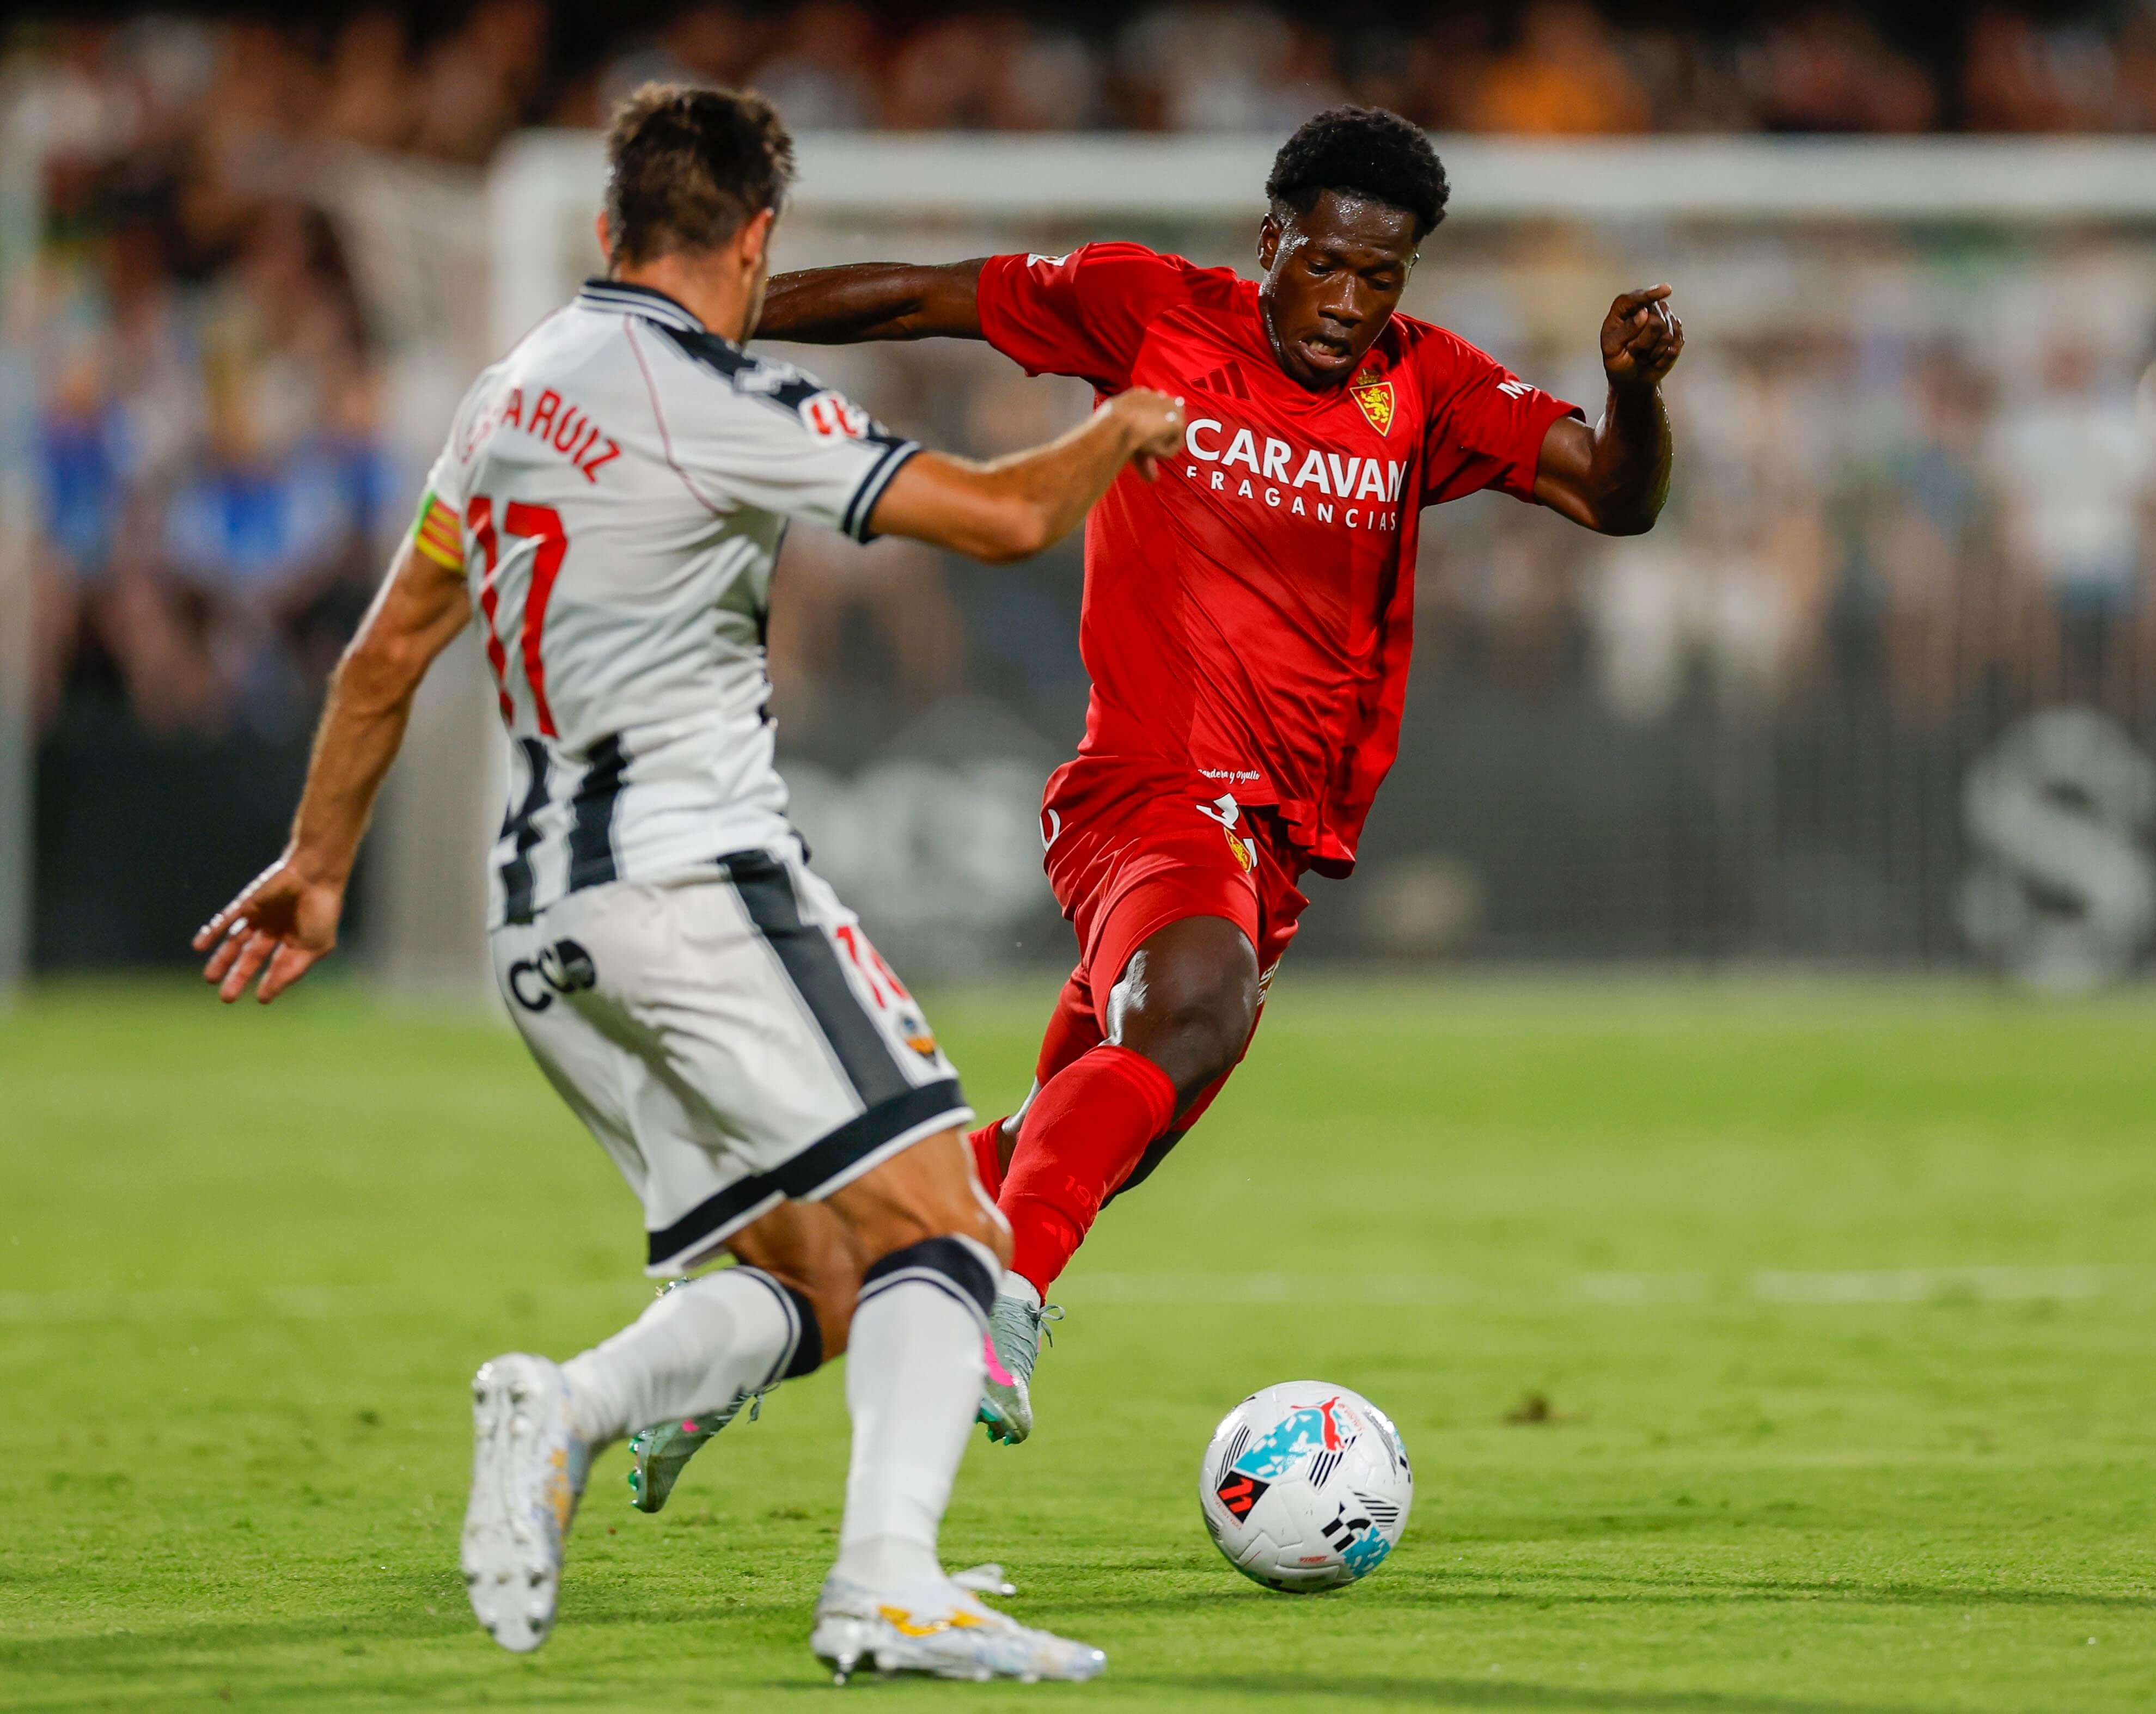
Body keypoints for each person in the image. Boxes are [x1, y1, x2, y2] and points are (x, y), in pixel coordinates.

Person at [192, 82, 1184, 1684]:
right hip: (694, 889)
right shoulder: (718, 395)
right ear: (759, 240)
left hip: (544, 930)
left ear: (608, 230)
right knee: (955, 1228)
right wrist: (1118, 427)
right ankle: (888, 1583)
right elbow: (1004, 518)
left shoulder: (507, 392)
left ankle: (569, 1407)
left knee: (814, 1274)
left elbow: (383, 658)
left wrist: (318, 868)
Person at [731, 103, 1683, 1445]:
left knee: (1069, 1148)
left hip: (1274, 849)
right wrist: (716, 312)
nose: (1347, 302)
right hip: (1152, 788)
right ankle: (1005, 1306)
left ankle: (717, 1344)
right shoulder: (1152, 311)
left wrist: (1635, 390)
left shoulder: (1429, 386)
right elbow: (923, 301)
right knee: (1195, 1010)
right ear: (1269, 241)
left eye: (1381, 276)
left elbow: (1617, 498)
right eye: (1324, 264)